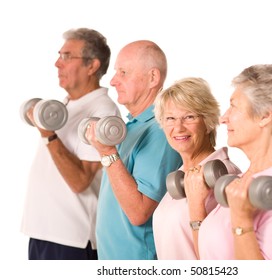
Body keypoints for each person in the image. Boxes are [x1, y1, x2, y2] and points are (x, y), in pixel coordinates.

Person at [188, 64, 272, 259]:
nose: (223, 118)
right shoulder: (241, 181)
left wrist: (241, 219)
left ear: (265, 116)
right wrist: (197, 207)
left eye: (234, 106)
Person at [21, 28, 121, 260]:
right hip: (42, 233)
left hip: (71, 240)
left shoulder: (102, 111)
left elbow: (80, 181)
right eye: (59, 55)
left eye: (67, 56)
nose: (57, 63)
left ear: (92, 66)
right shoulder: (67, 105)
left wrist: (48, 134)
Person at [85, 40, 182, 260]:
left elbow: (139, 212)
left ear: (153, 78)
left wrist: (107, 152)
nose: (113, 81)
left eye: (123, 72)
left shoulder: (161, 131)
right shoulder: (131, 127)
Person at [152, 77, 241, 259]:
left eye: (189, 117)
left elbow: (220, 260)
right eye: (170, 118)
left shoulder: (225, 178)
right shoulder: (180, 177)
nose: (178, 127)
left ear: (208, 122)